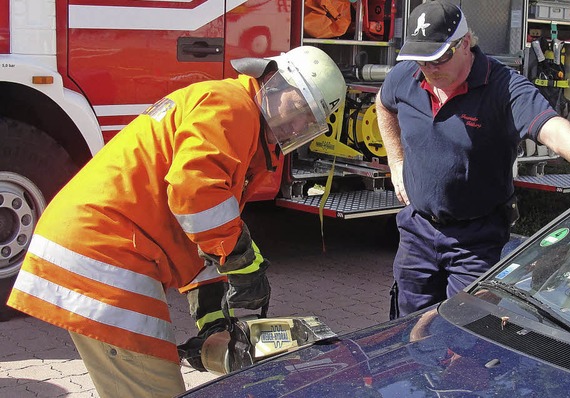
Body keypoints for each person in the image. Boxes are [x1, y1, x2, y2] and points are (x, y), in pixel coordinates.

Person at [6, 46, 346, 397]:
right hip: (107, 253)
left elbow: (198, 229)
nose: (299, 125)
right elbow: (195, 193)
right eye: (299, 109)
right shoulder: (232, 106)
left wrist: (212, 316)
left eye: (310, 122)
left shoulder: (238, 122)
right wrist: (241, 258)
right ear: (275, 82)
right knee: (156, 390)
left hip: (103, 245)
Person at [375, 1, 570, 319]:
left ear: (465, 43)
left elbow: (553, 129)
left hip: (476, 239)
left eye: (439, 58)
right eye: (421, 59)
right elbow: (384, 103)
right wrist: (396, 161)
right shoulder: (406, 76)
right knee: (407, 328)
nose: (429, 68)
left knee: (465, 333)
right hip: (418, 231)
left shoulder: (505, 88)